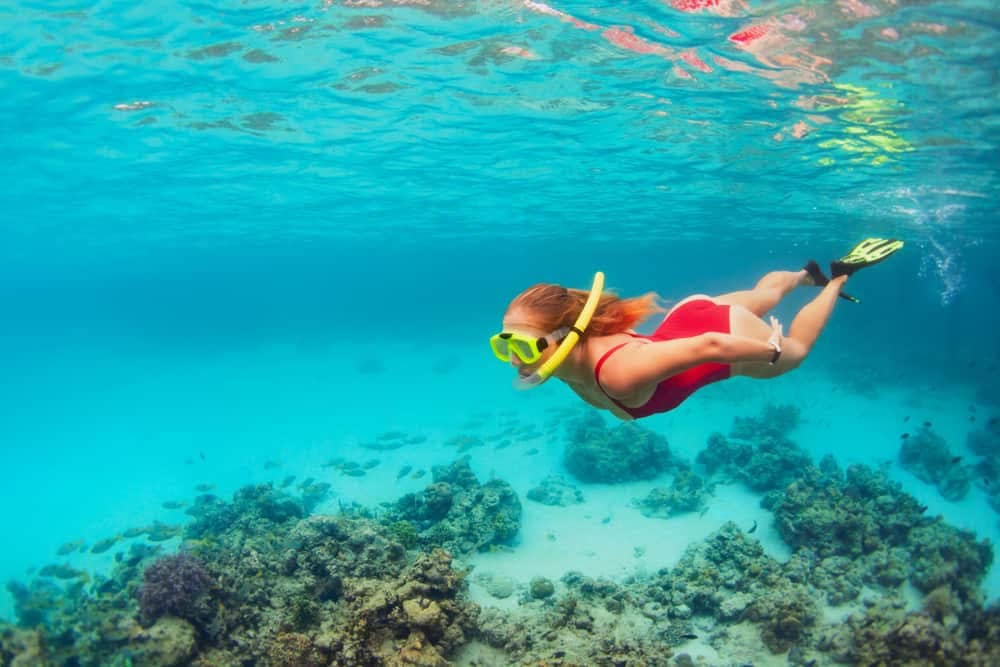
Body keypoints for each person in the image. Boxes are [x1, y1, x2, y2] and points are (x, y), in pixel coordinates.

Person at [489, 238, 904, 420]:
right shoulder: (566, 358)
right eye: (502, 343)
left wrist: (770, 350)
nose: (512, 359)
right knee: (764, 295)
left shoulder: (616, 372)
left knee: (797, 351)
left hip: (717, 335)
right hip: (691, 315)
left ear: (567, 336)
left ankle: (838, 277)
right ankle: (802, 275)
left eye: (524, 348)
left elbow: (709, 345)